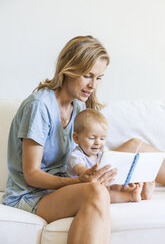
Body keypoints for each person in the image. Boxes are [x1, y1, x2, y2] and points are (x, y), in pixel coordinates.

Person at [2, 35, 165, 244]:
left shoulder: (78, 107)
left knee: (136, 146)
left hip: (68, 181)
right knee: (95, 191)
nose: (93, 85)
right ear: (69, 69)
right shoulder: (39, 106)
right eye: (88, 76)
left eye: (98, 78)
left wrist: (99, 170)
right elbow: (32, 175)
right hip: (32, 195)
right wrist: (79, 180)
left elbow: (86, 153)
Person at [67, 108, 156, 203]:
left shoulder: (103, 152)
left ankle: (141, 193)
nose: (97, 143)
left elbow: (114, 163)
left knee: (116, 183)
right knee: (102, 193)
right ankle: (129, 196)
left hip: (102, 183)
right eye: (92, 138)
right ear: (76, 138)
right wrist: (93, 173)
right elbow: (81, 170)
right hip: (83, 189)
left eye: (102, 138)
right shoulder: (76, 155)